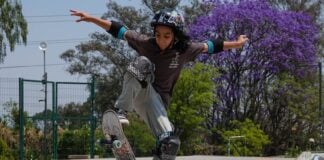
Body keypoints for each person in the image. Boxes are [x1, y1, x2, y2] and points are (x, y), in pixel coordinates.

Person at [70, 8, 248, 160]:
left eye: (166, 36)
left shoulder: (184, 50)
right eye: (158, 35)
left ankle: (152, 150)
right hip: (142, 90)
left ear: (175, 36)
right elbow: (118, 30)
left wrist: (237, 44)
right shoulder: (146, 43)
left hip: (157, 103)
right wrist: (92, 19)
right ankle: (120, 112)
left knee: (170, 144)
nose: (161, 40)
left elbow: (212, 46)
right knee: (141, 63)